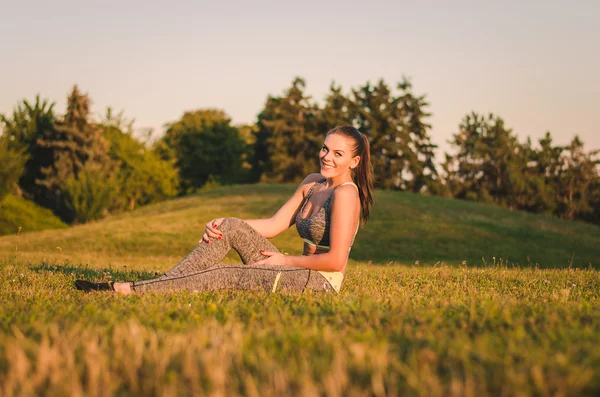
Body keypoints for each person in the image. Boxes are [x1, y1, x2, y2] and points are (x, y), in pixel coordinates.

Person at [75, 126, 374, 295]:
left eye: (338, 153)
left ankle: (126, 291)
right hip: (291, 269)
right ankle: (162, 285)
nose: (327, 157)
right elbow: (274, 224)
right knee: (228, 226)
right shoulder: (312, 183)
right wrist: (224, 223)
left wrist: (284, 259)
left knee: (225, 273)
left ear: (354, 162)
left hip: (317, 284)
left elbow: (336, 261)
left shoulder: (347, 195)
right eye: (325, 148)